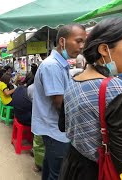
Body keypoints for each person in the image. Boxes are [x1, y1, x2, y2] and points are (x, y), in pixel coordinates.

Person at [59, 17, 122, 180]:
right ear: (104, 49)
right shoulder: (118, 90)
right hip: (98, 171)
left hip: (72, 164)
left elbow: (62, 125)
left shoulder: (74, 80)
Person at [32, 24, 86, 180]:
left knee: (50, 169)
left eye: (84, 42)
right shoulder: (52, 66)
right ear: (62, 41)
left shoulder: (60, 64)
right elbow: (60, 104)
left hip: (53, 129)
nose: (81, 46)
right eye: (78, 41)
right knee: (58, 174)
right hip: (55, 131)